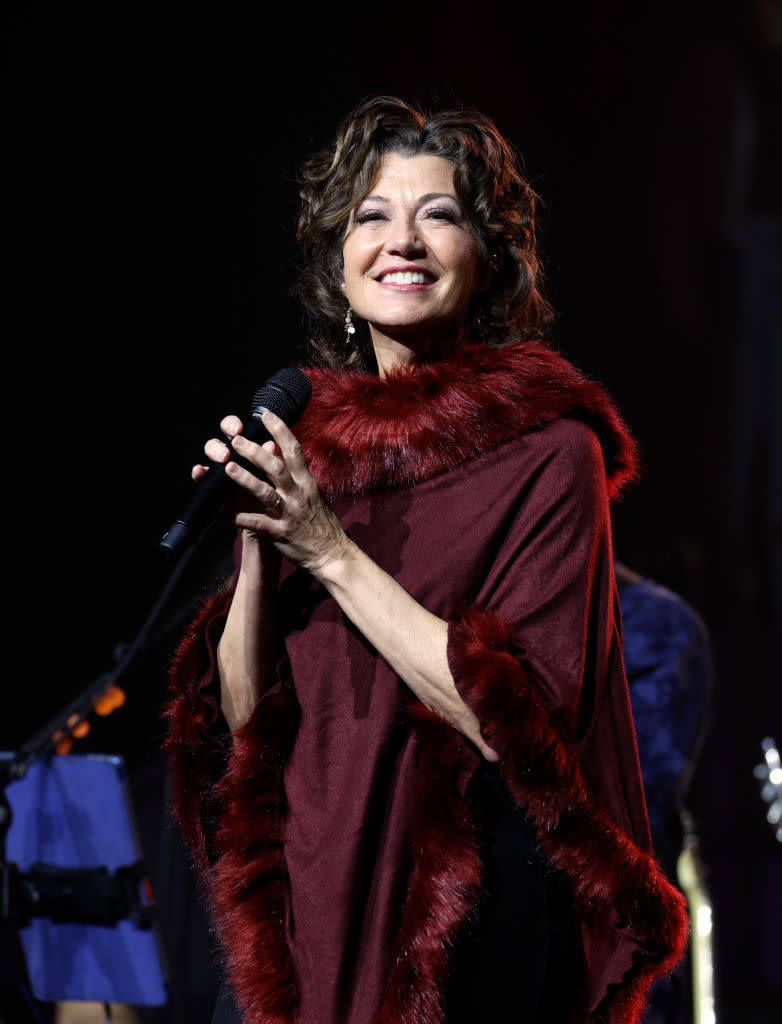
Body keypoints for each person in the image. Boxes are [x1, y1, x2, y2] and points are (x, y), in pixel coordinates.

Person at [163, 95, 688, 1024]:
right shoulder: (310, 451)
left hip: (465, 932)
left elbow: (515, 722)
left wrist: (327, 550)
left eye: (437, 215)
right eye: (371, 216)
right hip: (307, 914)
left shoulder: (545, 451)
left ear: (487, 257)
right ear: (338, 257)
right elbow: (250, 727)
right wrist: (259, 535)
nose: (400, 241)